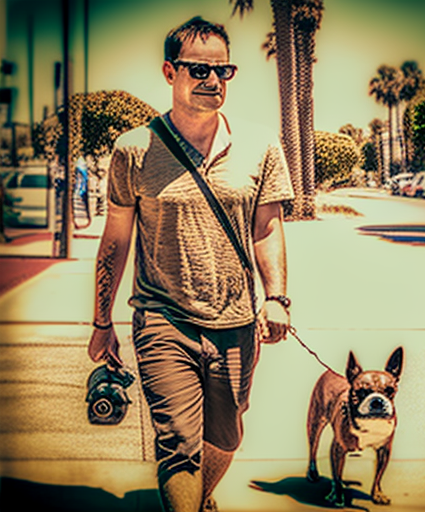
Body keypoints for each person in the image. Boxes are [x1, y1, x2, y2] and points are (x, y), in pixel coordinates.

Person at [87, 16, 294, 512]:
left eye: (223, 71)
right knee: (179, 443)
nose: (212, 81)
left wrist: (276, 297)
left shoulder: (261, 143)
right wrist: (102, 322)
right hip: (163, 318)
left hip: (237, 321)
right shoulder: (134, 148)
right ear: (169, 72)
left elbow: (267, 228)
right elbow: (115, 240)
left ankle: (199, 500)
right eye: (198, 69)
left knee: (226, 436)